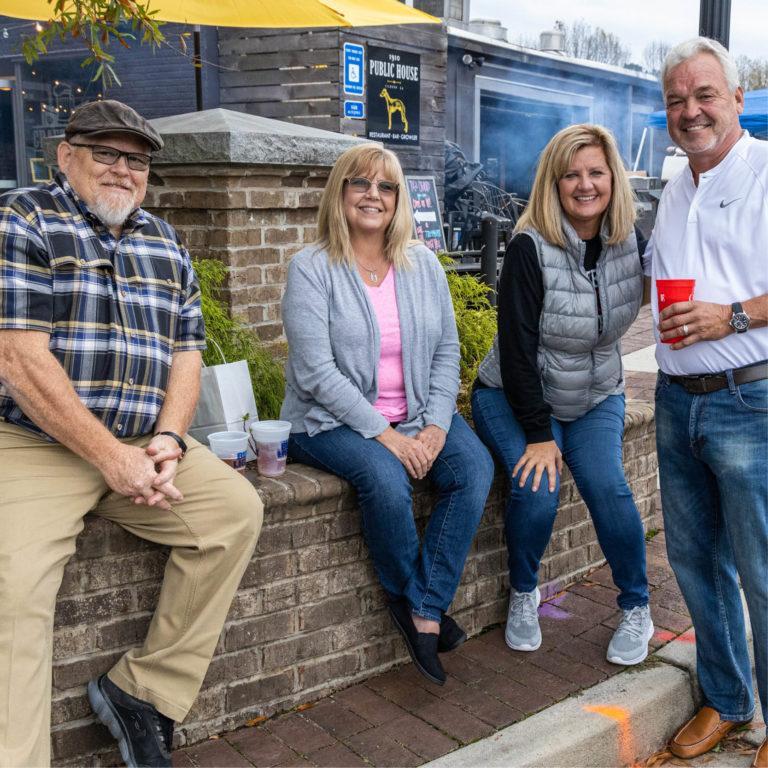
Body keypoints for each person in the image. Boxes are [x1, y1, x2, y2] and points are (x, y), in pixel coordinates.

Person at [0, 100, 263, 768]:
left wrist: (171, 442)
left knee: (234, 513)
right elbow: (18, 361)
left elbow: (187, 355)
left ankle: (142, 690)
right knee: (15, 588)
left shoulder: (165, 242)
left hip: (143, 442)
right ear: (65, 155)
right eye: (106, 153)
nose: (123, 169)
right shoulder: (24, 219)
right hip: (37, 443)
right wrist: (109, 457)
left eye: (137, 159)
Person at [280, 142, 494, 687]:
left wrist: (437, 425)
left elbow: (447, 350)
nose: (373, 195)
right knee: (383, 477)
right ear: (340, 192)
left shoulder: (421, 264)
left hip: (419, 410)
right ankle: (419, 610)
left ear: (399, 199)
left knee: (472, 469)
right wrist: (387, 437)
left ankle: (421, 605)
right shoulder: (311, 269)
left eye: (386, 186)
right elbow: (315, 372)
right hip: (329, 422)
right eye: (360, 182)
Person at [471, 124, 654, 666]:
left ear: (613, 179)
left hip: (596, 393)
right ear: (553, 182)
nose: (584, 185)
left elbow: (664, 296)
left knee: (608, 486)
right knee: (538, 487)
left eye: (596, 172)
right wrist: (536, 434)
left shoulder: (631, 244)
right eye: (571, 174)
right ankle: (523, 593)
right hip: (514, 394)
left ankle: (636, 606)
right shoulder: (530, 247)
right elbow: (517, 349)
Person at [645, 38, 767, 767]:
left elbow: (731, 307)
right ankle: (728, 700)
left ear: (737, 99)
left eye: (704, 95)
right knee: (696, 563)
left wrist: (737, 317)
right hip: (674, 402)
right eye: (676, 100)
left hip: (749, 403)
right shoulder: (675, 186)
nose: (690, 111)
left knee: (763, 571)